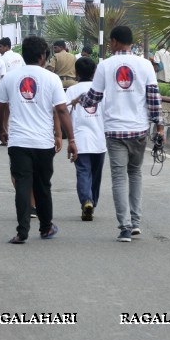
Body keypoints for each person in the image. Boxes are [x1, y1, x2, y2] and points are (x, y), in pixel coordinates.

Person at [77, 26, 163, 242]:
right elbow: (153, 98)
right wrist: (159, 125)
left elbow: (93, 97)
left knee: (118, 177)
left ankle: (124, 227)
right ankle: (135, 223)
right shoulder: (145, 65)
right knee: (135, 174)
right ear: (131, 42)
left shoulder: (105, 66)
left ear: (114, 42)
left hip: (115, 131)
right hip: (139, 129)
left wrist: (81, 100)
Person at [0, 36, 77, 244]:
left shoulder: (11, 78)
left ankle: (22, 231)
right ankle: (46, 227)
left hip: (19, 141)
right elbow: (61, 110)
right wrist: (71, 139)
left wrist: (1, 130)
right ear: (42, 56)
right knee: (43, 185)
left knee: (22, 184)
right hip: (43, 142)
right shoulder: (51, 79)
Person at [66, 57, 106, 221]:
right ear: (95, 73)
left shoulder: (71, 91)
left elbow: (65, 115)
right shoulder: (102, 90)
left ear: (76, 72)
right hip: (99, 140)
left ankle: (86, 201)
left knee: (83, 172)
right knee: (96, 176)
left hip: (79, 140)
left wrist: (66, 138)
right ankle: (92, 202)